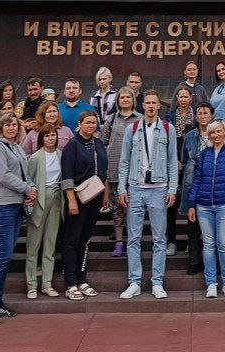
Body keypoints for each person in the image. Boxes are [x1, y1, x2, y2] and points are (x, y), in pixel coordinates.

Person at [0, 113, 36, 324]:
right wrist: (27, 189)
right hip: (0, 207)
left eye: (14, 125)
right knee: (2, 257)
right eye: (7, 125)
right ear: (1, 127)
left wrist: (32, 189)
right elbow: (4, 176)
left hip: (15, 205)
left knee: (6, 256)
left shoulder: (17, 147)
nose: (11, 128)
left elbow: (24, 173)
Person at [118, 90, 178, 299]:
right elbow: (124, 160)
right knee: (133, 238)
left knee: (159, 238)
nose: (151, 106)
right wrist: (121, 188)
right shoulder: (132, 128)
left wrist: (172, 189)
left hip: (159, 189)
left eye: (154, 102)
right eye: (148, 103)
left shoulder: (168, 129)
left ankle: (157, 282)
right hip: (135, 187)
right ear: (142, 105)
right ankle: (134, 281)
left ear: (159, 105)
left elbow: (172, 162)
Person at [187, 119, 225, 297]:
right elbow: (197, 179)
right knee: (209, 245)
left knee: (224, 243)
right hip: (203, 206)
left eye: (219, 131)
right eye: (212, 133)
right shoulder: (204, 154)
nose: (216, 135)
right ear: (209, 135)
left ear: (224, 132)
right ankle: (211, 283)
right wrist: (192, 204)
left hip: (224, 203)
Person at [60, 110, 109, 301]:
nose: (90, 126)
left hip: (95, 196)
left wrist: (105, 193)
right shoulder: (72, 145)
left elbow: (102, 170)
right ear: (79, 124)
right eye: (87, 122)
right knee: (72, 240)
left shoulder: (98, 144)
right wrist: (71, 200)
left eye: (93, 123)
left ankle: (82, 279)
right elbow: (67, 175)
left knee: (85, 239)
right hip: (77, 198)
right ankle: (70, 283)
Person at [24, 124, 65, 299]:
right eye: (47, 135)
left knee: (50, 243)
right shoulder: (35, 158)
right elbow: (30, 180)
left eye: (53, 135)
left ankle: (47, 283)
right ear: (42, 138)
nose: (51, 138)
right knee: (34, 245)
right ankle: (32, 284)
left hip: (56, 198)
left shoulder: (60, 155)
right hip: (40, 199)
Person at [103, 86, 140, 258]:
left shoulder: (140, 119)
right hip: (114, 168)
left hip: (135, 171)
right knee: (117, 208)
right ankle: (119, 243)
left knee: (133, 208)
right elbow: (104, 143)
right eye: (122, 97)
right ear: (118, 100)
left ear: (133, 99)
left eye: (128, 97)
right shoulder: (111, 119)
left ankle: (133, 241)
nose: (125, 100)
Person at [179, 102, 214, 275]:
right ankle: (194, 260)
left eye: (205, 113)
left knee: (210, 228)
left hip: (212, 186)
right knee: (193, 226)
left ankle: (212, 263)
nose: (202, 116)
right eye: (199, 113)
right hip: (192, 185)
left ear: (211, 115)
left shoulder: (217, 134)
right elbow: (184, 159)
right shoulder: (190, 135)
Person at [164, 85, 197, 255]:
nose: (183, 99)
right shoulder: (169, 116)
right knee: (171, 204)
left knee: (191, 202)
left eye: (186, 96)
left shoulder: (196, 116)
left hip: (191, 163)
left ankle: (191, 241)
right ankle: (171, 240)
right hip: (173, 163)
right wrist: (174, 160)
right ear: (177, 99)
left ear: (190, 98)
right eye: (180, 96)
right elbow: (166, 141)